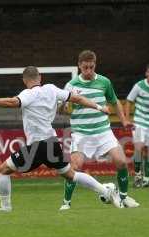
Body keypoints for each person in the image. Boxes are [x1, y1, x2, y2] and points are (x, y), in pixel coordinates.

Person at [0, 66, 122, 212]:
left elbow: (12, 102)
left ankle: (5, 208)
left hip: (38, 145)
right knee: (71, 175)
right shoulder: (51, 89)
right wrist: (98, 106)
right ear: (40, 77)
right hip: (52, 143)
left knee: (3, 170)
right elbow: (77, 98)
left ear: (25, 80)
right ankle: (105, 190)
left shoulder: (28, 94)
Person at [60, 50, 139, 210]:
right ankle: (66, 203)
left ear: (95, 64)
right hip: (81, 133)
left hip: (103, 131)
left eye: (91, 67)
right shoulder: (71, 85)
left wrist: (123, 120)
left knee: (121, 161)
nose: (88, 71)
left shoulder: (104, 82)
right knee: (74, 167)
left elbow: (114, 101)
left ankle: (123, 198)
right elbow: (62, 109)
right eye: (85, 68)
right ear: (79, 66)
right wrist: (63, 107)